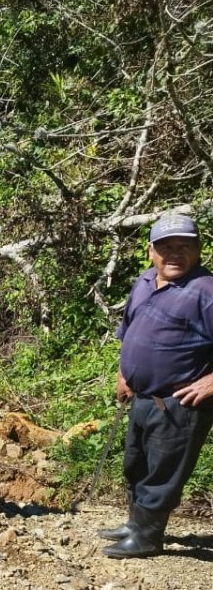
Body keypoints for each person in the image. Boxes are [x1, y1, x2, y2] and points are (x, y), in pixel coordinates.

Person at [99, 213, 213, 558]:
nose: (174, 254)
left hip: (179, 403)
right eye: (166, 247)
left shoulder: (205, 291)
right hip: (143, 397)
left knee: (162, 473)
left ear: (198, 249)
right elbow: (130, 330)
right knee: (137, 463)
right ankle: (135, 525)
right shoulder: (145, 281)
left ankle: (148, 537)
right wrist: (124, 373)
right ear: (151, 251)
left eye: (184, 246)